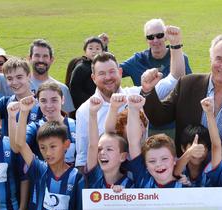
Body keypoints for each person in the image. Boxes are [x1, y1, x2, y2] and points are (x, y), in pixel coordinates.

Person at [142, 32, 222, 191]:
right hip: (187, 178)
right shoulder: (187, 84)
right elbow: (159, 118)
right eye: (219, 59)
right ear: (211, 58)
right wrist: (148, 91)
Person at [74, 42, 182, 172]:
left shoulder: (138, 95)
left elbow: (175, 78)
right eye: (102, 73)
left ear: (120, 72)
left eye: (112, 71)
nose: (108, 77)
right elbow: (82, 158)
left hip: (138, 177)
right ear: (93, 78)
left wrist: (175, 44)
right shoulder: (85, 111)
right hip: (105, 183)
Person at [0, 30, 75, 114]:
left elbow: (66, 119)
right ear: (29, 58)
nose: (41, 60)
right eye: (36, 55)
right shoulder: (13, 80)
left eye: (45, 56)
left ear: (51, 59)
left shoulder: (61, 88)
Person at [0, 57, 42, 137]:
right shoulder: (5, 102)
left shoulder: (41, 103)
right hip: (9, 149)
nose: (14, 82)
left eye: (19, 77)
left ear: (29, 76)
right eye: (10, 78)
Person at [120, 19, 192, 86]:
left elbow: (190, 85)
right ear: (146, 39)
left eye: (159, 35)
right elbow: (113, 71)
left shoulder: (179, 58)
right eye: (150, 37)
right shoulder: (137, 60)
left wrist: (176, 42)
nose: (155, 40)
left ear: (165, 36)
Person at [68, 37, 106, 110]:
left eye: (97, 49)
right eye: (90, 48)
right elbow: (75, 91)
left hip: (103, 104)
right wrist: (91, 101)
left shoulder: (101, 67)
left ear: (102, 51)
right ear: (85, 51)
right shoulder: (81, 68)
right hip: (87, 107)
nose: (94, 51)